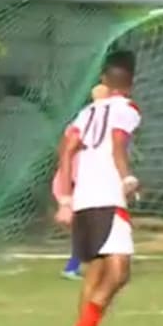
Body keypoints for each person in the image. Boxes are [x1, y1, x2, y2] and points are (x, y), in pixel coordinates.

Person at [52, 51, 142, 326]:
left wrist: (65, 198)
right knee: (119, 271)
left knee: (96, 269)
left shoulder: (87, 112)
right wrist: (127, 177)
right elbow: (117, 143)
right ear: (131, 82)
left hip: (83, 198)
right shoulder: (127, 109)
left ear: (104, 80)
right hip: (108, 196)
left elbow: (67, 149)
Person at [57, 84, 111, 280]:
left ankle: (79, 265)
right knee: (89, 225)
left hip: (80, 179)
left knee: (90, 225)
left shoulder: (89, 120)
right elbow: (66, 151)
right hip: (78, 180)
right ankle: (74, 267)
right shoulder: (86, 122)